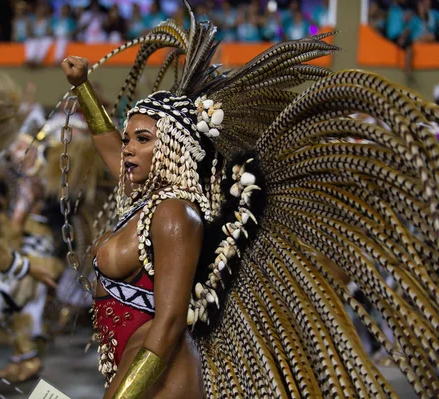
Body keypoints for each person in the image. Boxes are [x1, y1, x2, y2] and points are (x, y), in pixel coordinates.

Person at [59, 3, 439, 397]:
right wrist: (82, 86)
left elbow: (170, 322)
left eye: (143, 139)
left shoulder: (174, 214)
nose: (128, 150)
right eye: (128, 139)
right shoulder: (143, 198)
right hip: (128, 356)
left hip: (156, 364)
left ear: (172, 147)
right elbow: (107, 143)